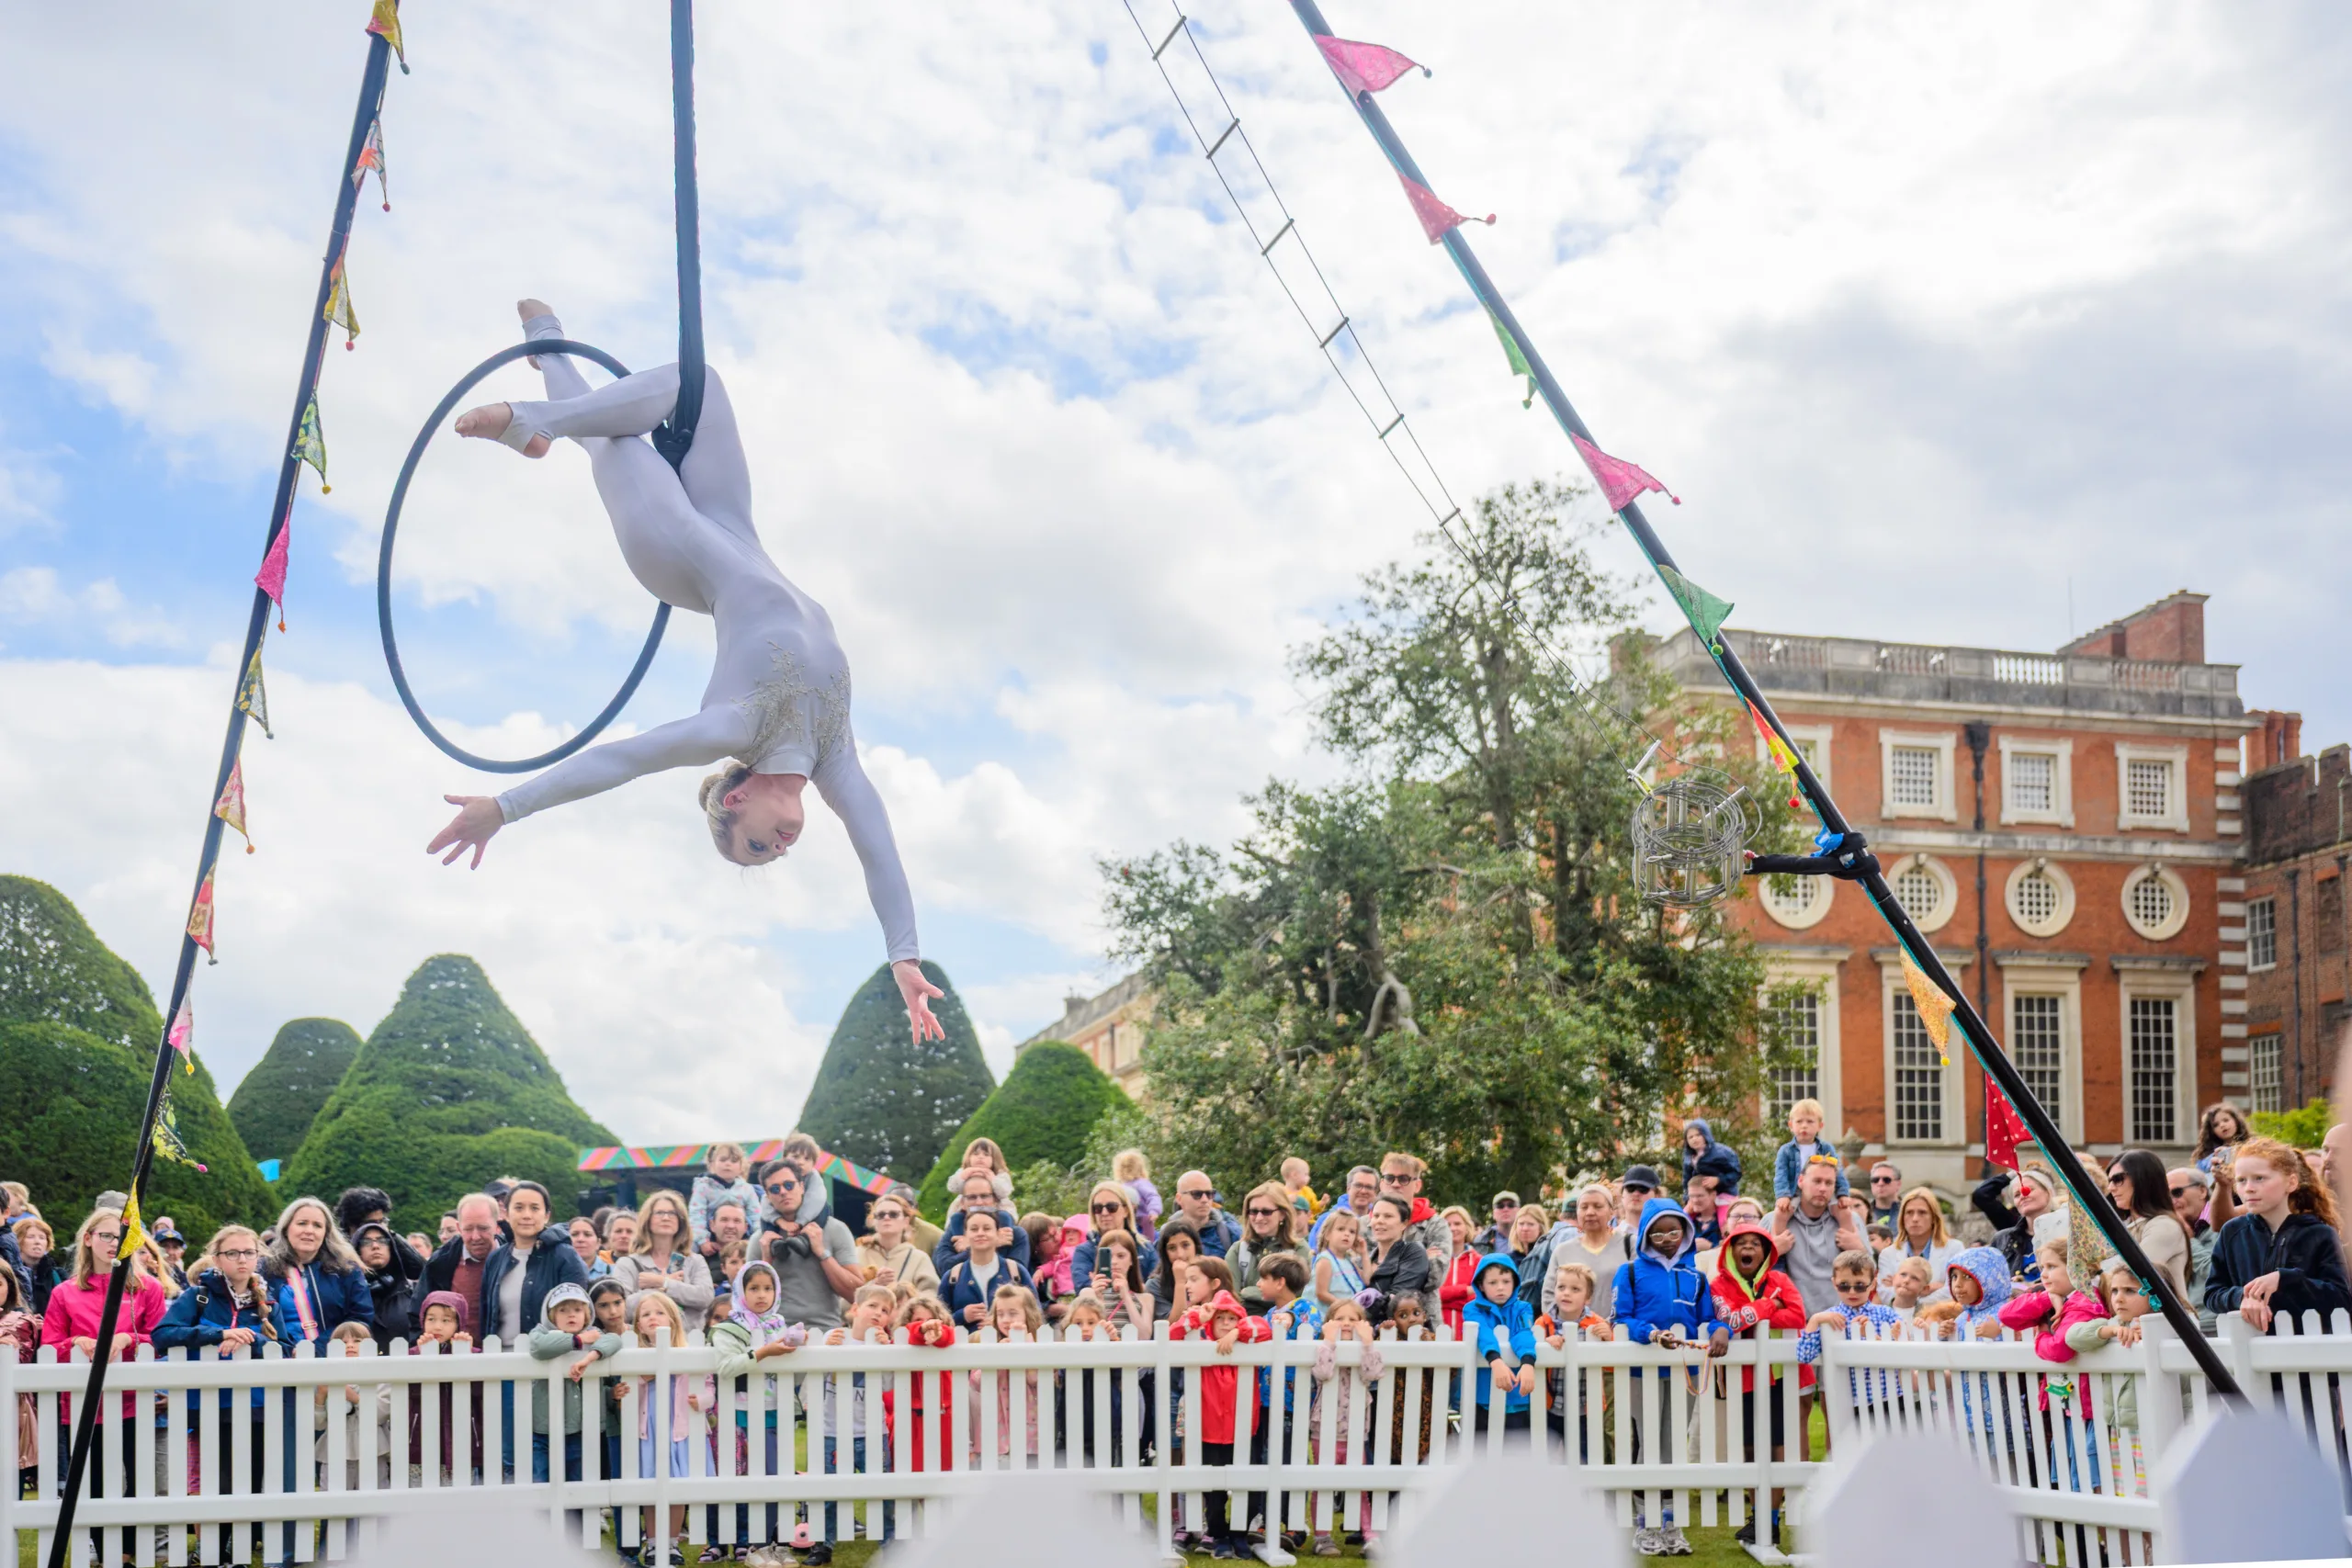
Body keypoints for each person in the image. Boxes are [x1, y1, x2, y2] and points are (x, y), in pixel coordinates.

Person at [434, 301, 944, 1042]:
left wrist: (506, 807)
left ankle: (537, 416)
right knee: (700, 384)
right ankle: (546, 354)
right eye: (773, 851)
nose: (785, 843)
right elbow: (880, 851)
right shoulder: (836, 758)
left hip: (677, 553)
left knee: (631, 426)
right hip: (730, 526)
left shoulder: (736, 724)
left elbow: (620, 759)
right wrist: (904, 955)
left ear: (735, 795)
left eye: (759, 843)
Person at [1612, 1198, 1727, 1557]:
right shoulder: (1629, 1272)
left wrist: (1722, 1329)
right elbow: (1621, 1318)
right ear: (1645, 1234)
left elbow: (1711, 1315)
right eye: (1658, 1232)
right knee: (1648, 1445)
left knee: (1674, 1446)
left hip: (1683, 1370)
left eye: (1674, 1230)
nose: (1666, 1238)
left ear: (1686, 1232)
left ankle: (1670, 1522)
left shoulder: (1695, 1277)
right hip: (1642, 1370)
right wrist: (1650, 1333)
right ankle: (1645, 1524)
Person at [1712, 1222, 1807, 1549]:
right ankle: (1757, 1516)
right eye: (1742, 1243)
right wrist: (1769, 1306)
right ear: (1731, 1250)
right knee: (1751, 1447)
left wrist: (1753, 1313)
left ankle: (1772, 1520)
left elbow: (1797, 1317)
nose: (1748, 1249)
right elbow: (1730, 1319)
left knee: (1778, 1446)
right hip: (1744, 1378)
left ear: (1766, 1251)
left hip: (1780, 1375)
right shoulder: (1719, 1285)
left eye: (1756, 1243)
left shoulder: (1780, 1279)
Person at [708, 1260, 808, 1562]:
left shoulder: (779, 1325)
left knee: (779, 1477)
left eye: (768, 1288)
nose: (762, 1295)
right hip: (747, 1412)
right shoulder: (728, 1329)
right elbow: (726, 1368)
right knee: (763, 1478)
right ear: (741, 1290)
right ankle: (756, 1545)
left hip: (779, 1410)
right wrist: (764, 1352)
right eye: (754, 1288)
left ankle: (774, 1543)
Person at [2204, 1137, 2352, 1332]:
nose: (2248, 1187)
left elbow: (2340, 1297)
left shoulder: (2320, 1233)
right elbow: (2213, 1294)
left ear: (2291, 1183)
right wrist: (2244, 1296)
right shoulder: (2232, 1232)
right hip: (2249, 1346)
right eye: (2241, 1180)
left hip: (2309, 1347)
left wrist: (2285, 1280)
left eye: (2260, 1178)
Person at [1169, 1286, 1270, 1558]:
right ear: (1211, 1321)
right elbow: (1170, 1337)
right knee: (1214, 1491)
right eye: (1220, 1319)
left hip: (1241, 1430)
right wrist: (1196, 1318)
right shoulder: (1200, 1346)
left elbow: (1264, 1326)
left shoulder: (1250, 1344)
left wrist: (1239, 1332)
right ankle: (1220, 1535)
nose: (1226, 1324)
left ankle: (1239, 1535)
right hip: (1210, 1430)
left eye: (1231, 1318)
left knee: (1246, 1486)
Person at [527, 1279, 621, 1537]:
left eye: (577, 1310)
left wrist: (590, 1355)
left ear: (587, 1314)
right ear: (551, 1315)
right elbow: (539, 1347)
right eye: (563, 1310)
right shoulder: (542, 1333)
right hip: (544, 1432)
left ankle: (578, 1540)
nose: (571, 1314)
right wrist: (578, 1342)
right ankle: (545, 1537)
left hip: (581, 1433)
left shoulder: (596, 1336)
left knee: (579, 1487)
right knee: (544, 1485)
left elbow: (614, 1341)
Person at [630, 1292, 712, 1566]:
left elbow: (709, 1388)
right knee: (651, 1484)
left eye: (659, 1312)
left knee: (677, 1485)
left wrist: (701, 1400)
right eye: (646, 1314)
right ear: (639, 1325)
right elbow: (633, 1385)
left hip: (680, 1429)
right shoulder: (633, 1355)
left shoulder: (690, 1353)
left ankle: (672, 1543)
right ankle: (653, 1544)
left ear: (673, 1320)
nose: (652, 1318)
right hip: (650, 1428)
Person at [482, 1180, 591, 1346]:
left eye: (534, 1208)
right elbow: (486, 1315)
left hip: (550, 1358)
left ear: (546, 1215)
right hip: (500, 1359)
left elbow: (578, 1314)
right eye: (518, 1208)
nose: (526, 1215)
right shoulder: (496, 1259)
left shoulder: (565, 1256)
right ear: (506, 1213)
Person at [757, 1165, 861, 1333]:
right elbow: (744, 1305)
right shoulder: (760, 1240)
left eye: (789, 1185)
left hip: (826, 1334)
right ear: (768, 1196)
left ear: (802, 1186)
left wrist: (822, 1253)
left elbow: (856, 1294)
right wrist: (766, 1262)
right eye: (775, 1189)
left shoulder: (836, 1230)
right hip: (775, 1336)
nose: (783, 1192)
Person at [264, 1196, 372, 1351]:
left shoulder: (346, 1270)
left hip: (334, 1358)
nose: (309, 1231)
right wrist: (286, 1349)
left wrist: (316, 1349)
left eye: (317, 1225)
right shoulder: (264, 1269)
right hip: (278, 1359)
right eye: (302, 1223)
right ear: (286, 1229)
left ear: (325, 1233)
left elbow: (360, 1318)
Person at [609, 1190, 717, 1334]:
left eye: (672, 1213)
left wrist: (664, 1283)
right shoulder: (627, 1263)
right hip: (643, 1347)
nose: (666, 1218)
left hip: (689, 1344)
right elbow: (622, 1309)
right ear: (647, 1219)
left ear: (681, 1221)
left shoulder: (695, 1261)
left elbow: (705, 1297)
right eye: (659, 1213)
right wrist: (659, 1289)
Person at [1771, 1156, 1867, 1318]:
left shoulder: (1851, 1219)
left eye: (1829, 1183)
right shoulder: (1775, 1218)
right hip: (1795, 1320)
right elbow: (1756, 1274)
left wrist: (1859, 1248)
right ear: (1801, 1181)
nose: (1823, 1188)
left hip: (1842, 1318)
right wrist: (1773, 1249)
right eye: (1817, 1181)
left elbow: (1871, 1272)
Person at [1461, 1254, 1538, 1438]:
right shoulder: (1471, 1309)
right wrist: (1496, 1361)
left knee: (1516, 1450)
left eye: (1506, 1281)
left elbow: (1523, 1334)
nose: (1501, 1287)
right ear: (1481, 1285)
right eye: (1493, 1282)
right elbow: (1483, 1333)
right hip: (1482, 1394)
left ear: (1515, 1282)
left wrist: (1528, 1363)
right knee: (1481, 1448)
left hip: (1517, 1393)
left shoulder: (1523, 1308)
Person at [1535, 1185, 1634, 1319]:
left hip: (1620, 1333)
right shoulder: (1563, 1251)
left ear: (1611, 1211)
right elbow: (1548, 1296)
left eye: (1598, 1206)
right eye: (1584, 1207)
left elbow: (1643, 1291)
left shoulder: (1630, 1245)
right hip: (1573, 1335)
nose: (1590, 1212)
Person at [2106, 1151, 2191, 1305]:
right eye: (2109, 1180)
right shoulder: (2125, 1226)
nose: (2111, 1187)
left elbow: (2132, 1277)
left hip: (2165, 1324)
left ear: (2142, 1180)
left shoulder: (2164, 1226)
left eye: (2118, 1179)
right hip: (2130, 1322)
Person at [411, 1193, 503, 1337]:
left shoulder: (515, 1258)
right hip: (454, 1356)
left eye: (483, 1228)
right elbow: (418, 1314)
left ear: (498, 1227)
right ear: (459, 1228)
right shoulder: (440, 1262)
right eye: (468, 1229)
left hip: (507, 1354)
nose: (475, 1236)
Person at [1228, 1180, 1306, 1314]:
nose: (1258, 1218)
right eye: (1253, 1211)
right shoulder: (1238, 1250)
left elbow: (1298, 1296)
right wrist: (1275, 1293)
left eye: (1266, 1212)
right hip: (1246, 1325)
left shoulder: (1298, 1249)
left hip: (1286, 1325)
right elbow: (1230, 1297)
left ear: (1282, 1214)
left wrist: (1248, 1292)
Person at [1873, 1187, 1960, 1303]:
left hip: (1940, 1318)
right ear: (1902, 1218)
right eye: (1909, 1212)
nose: (1915, 1219)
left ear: (1934, 1218)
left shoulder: (1954, 1248)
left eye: (1922, 1212)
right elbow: (1885, 1293)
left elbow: (1953, 1290)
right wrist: (1929, 1289)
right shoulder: (1888, 1254)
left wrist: (1907, 1295)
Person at [1377, 1152, 1454, 1280]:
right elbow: (1359, 1274)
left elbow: (1435, 1276)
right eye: (1390, 1178)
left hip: (1420, 1299)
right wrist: (1420, 1258)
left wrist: (1382, 1266)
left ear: (1417, 1185)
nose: (1396, 1184)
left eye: (1403, 1179)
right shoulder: (1365, 1224)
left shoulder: (1436, 1225)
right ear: (1382, 1184)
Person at [1364, 1194, 1437, 1327]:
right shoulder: (1364, 1259)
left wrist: (1360, 1304)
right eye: (1376, 1216)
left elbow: (1396, 1300)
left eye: (1388, 1216)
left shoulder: (1413, 1252)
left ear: (1404, 1223)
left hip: (1402, 1335)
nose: (1379, 1221)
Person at [1069, 1182, 1158, 1287]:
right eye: (1098, 1208)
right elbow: (1082, 1289)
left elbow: (1156, 1287)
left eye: (1112, 1207)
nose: (1104, 1213)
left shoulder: (1145, 1248)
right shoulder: (1084, 1252)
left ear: (1126, 1211)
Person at [854, 1190, 939, 1298]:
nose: (886, 1218)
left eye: (893, 1214)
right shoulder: (857, 1254)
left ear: (906, 1221)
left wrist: (905, 1298)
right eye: (880, 1215)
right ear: (873, 1221)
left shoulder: (919, 1258)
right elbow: (843, 1301)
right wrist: (874, 1285)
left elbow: (932, 1297)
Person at [2167, 1167, 2219, 1332]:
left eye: (2176, 1192)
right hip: (2187, 1325)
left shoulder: (2221, 1223)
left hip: (2216, 1325)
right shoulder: (2173, 1229)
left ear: (2202, 1191)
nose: (2171, 1200)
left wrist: (2189, 1240)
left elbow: (2215, 1270)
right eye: (2165, 1196)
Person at [690, 1142, 763, 1258]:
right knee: (690, 1244)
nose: (727, 1164)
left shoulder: (747, 1189)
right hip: (709, 1232)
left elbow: (755, 1215)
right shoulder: (703, 1187)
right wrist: (702, 1240)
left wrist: (756, 1237)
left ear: (741, 1167)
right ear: (713, 1164)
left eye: (733, 1161)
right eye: (723, 1160)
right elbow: (696, 1214)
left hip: (741, 1233)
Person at [350, 1222, 415, 1350]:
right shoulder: (347, 1293)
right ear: (357, 1250)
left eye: (382, 1241)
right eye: (366, 1242)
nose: (375, 1246)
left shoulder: (413, 1291)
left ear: (391, 1249)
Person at [1772, 1099, 1848, 1200]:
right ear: (1791, 1125)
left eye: (1810, 1121)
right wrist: (1783, 1196)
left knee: (1844, 1212)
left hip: (1822, 1195)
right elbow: (1781, 1176)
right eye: (1799, 1121)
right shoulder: (1786, 1151)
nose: (1804, 1126)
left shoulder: (1826, 1148)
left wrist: (1842, 1194)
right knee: (1780, 1214)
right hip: (1794, 1196)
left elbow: (1838, 1172)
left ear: (1820, 1126)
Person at [1309, 1208, 1368, 1314]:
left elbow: (1367, 1280)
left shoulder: (1349, 1261)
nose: (1347, 1234)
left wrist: (1364, 1253)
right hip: (1329, 1316)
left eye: (1352, 1231)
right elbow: (1321, 1293)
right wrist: (1346, 1307)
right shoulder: (1325, 1260)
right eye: (1341, 1229)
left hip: (1346, 1314)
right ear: (1327, 1235)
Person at [1171, 1171, 1242, 1258]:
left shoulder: (1232, 1234)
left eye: (1209, 1194)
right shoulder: (1165, 1237)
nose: (1205, 1200)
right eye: (1197, 1194)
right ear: (1179, 1198)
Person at [1307, 1167, 1378, 1250]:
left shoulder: (1379, 1222)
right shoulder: (1328, 1220)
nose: (1363, 1191)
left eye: (1369, 1187)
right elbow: (1315, 1255)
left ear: (1375, 1192)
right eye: (1358, 1185)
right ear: (1348, 1189)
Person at [1437, 1206, 1478, 1334]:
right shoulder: (1433, 1259)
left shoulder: (1479, 1261)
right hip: (1438, 1330)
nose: (1453, 1228)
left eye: (1458, 1224)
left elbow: (1478, 1300)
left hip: (1469, 1332)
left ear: (1467, 1227)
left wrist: (1445, 1300)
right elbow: (1433, 1296)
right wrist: (1465, 1290)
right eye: (1448, 1224)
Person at [1679, 1118, 1744, 1197]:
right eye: (1690, 1137)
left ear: (1706, 1135)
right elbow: (1687, 1180)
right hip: (1701, 1197)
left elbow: (1736, 1173)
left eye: (1698, 1135)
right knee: (1686, 1209)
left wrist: (1718, 1180)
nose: (1694, 1139)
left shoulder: (1722, 1152)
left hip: (1724, 1194)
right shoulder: (1689, 1158)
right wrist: (1687, 1197)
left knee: (1724, 1208)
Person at [1114, 1148, 1164, 1243]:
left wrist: (1153, 1211)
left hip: (1143, 1218)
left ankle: (1150, 1246)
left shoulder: (1141, 1184)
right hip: (1128, 1219)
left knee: (1148, 1237)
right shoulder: (1121, 1186)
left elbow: (1153, 1197)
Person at [14, 1216, 61, 1317]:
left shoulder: (58, 1276)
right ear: (18, 1240)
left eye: (42, 1238)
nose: (37, 1242)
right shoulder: (8, 1274)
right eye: (30, 1237)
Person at [2194, 1101, 2252, 1176]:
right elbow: (2200, 1175)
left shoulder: (2252, 1145)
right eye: (2216, 1125)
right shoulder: (2207, 1155)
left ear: (2236, 1121)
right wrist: (2217, 1158)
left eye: (2226, 1120)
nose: (2222, 1125)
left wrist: (2232, 1152)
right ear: (2212, 1131)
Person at [1475, 1191, 1521, 1257]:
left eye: (1511, 1205)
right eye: (1500, 1206)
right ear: (1493, 1213)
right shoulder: (1482, 1240)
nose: (1505, 1209)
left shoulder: (1533, 1239)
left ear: (1520, 1211)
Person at [1279, 1156, 1321, 1226]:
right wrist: (1287, 1200)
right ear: (1294, 1175)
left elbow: (1314, 1208)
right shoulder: (1281, 1193)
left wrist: (1321, 1203)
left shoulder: (1307, 1191)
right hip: (1288, 1226)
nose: (1309, 1178)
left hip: (1309, 1224)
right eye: (1306, 1174)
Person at [1863, 1162, 1905, 1229]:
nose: (1880, 1183)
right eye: (1875, 1180)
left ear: (1898, 1184)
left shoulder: (1908, 1211)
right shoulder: (1863, 1211)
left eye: (1886, 1180)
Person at [564, 1216, 607, 1280]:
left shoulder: (613, 1271)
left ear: (598, 1243)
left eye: (587, 1235)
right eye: (574, 1234)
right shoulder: (554, 1272)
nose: (580, 1239)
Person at [149, 1222, 189, 1288]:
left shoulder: (185, 1279)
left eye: (175, 1247)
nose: (170, 1252)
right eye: (165, 1246)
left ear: (182, 1253)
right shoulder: (147, 1276)